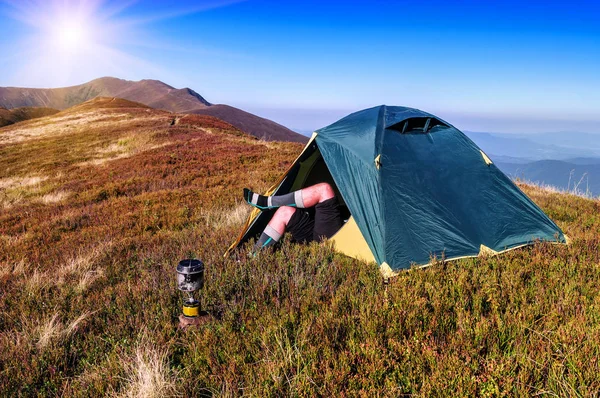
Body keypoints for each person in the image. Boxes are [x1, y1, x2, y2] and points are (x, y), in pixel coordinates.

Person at [243, 182, 343, 251]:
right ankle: (254, 255)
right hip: (316, 234)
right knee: (284, 212)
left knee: (324, 190)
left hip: (331, 241)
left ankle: (268, 203)